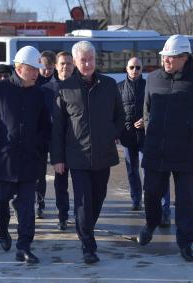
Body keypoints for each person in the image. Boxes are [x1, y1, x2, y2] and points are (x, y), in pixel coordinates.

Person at [137, 35, 193, 262]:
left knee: (186, 200)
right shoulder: (152, 79)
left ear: (184, 58)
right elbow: (146, 110)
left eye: (171, 57)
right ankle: (151, 224)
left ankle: (186, 243)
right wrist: (154, 131)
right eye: (164, 57)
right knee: (151, 193)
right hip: (156, 150)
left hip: (186, 151)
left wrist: (189, 130)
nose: (166, 61)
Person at [51, 41, 125, 264]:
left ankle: (86, 230)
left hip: (104, 155)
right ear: (75, 61)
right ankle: (88, 246)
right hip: (78, 157)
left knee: (98, 199)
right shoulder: (65, 89)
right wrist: (58, 159)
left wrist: (111, 133)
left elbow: (120, 117)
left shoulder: (110, 85)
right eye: (83, 60)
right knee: (83, 202)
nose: (88, 63)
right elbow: (58, 128)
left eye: (91, 59)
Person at [0, 46, 50, 264]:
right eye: (33, 69)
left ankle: (24, 247)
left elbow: (47, 125)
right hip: (3, 160)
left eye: (38, 69)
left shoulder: (39, 93)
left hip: (29, 161)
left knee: (27, 207)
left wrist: (39, 144)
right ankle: (2, 230)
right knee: (0, 201)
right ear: (19, 68)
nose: (37, 73)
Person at [118, 57, 172, 222]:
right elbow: (116, 112)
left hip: (146, 137)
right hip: (127, 137)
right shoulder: (119, 87)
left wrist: (145, 120)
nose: (135, 70)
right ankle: (136, 200)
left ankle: (162, 210)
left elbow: (156, 108)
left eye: (138, 67)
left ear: (142, 69)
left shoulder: (149, 85)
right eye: (132, 67)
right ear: (126, 69)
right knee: (131, 171)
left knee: (149, 172)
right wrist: (119, 130)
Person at [42, 51, 75, 230]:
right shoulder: (46, 90)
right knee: (60, 182)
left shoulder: (81, 87)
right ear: (56, 66)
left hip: (78, 143)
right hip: (56, 143)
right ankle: (62, 215)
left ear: (74, 66)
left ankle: (81, 213)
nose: (65, 67)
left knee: (80, 182)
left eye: (69, 64)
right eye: (62, 63)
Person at [34, 50, 57, 219]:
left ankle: (61, 206)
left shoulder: (59, 83)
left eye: (50, 68)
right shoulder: (34, 83)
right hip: (39, 133)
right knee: (39, 172)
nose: (46, 71)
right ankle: (39, 202)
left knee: (60, 172)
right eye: (44, 67)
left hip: (56, 132)